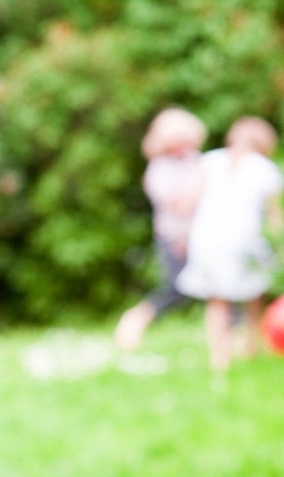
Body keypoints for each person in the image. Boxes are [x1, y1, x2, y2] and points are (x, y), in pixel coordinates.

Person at [176, 116, 284, 370]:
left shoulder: (209, 160)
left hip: (207, 237)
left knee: (217, 299)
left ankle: (219, 357)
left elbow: (188, 202)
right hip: (245, 238)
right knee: (254, 293)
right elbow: (274, 215)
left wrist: (181, 234)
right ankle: (250, 346)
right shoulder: (265, 168)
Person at [114, 108, 207, 351]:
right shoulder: (159, 169)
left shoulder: (195, 160)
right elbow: (179, 206)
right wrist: (198, 190)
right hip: (173, 237)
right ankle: (136, 319)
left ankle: (233, 337)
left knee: (219, 285)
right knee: (176, 289)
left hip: (201, 235)